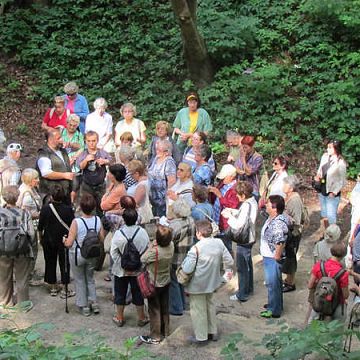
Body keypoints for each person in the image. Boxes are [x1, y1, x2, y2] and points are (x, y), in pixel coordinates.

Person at [181, 219, 233, 345]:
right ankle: (212, 331)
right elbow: (230, 261)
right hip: (213, 281)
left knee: (198, 310)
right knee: (210, 305)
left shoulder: (196, 248)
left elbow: (187, 268)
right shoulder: (219, 243)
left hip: (197, 285)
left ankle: (201, 337)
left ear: (198, 233)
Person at [63, 193, 105, 316]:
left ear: (81, 207)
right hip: (92, 254)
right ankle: (94, 302)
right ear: (93, 207)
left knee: (80, 279)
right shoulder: (97, 220)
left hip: (78, 255)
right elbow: (101, 239)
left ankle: (84, 305)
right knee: (90, 278)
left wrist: (64, 240)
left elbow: (69, 243)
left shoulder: (76, 222)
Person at [111, 208, 149, 327]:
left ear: (124, 219)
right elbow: (147, 250)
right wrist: (140, 264)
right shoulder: (142, 233)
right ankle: (141, 317)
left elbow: (113, 252)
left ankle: (119, 317)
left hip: (121, 271)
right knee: (138, 293)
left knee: (120, 293)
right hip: (138, 270)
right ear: (136, 218)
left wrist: (121, 263)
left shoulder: (118, 234)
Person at [0, 186, 35, 311]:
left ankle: (5, 302)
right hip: (22, 251)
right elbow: (31, 233)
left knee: (4, 278)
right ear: (17, 197)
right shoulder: (24, 213)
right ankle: (23, 304)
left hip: (3, 251)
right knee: (22, 278)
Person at [139, 225, 174, 345]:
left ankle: (155, 336)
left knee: (154, 309)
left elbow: (143, 259)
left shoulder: (155, 251)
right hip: (166, 280)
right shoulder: (171, 246)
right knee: (164, 307)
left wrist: (151, 246)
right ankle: (166, 330)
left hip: (154, 282)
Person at [38, 185, 75, 297]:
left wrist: (40, 238)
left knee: (49, 261)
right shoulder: (68, 209)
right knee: (64, 263)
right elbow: (72, 225)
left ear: (51, 196)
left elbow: (40, 226)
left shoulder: (45, 208)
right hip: (63, 239)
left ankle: (53, 286)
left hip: (48, 238)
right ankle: (65, 287)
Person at [225, 181, 258, 302]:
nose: (237, 197)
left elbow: (239, 224)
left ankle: (242, 294)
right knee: (248, 264)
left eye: (238, 195)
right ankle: (249, 289)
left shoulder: (246, 205)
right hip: (251, 237)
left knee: (242, 267)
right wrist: (234, 212)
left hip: (244, 239)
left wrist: (229, 217)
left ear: (243, 195)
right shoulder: (252, 201)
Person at [259, 195, 289, 318]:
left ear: (275, 208)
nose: (266, 205)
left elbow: (280, 241)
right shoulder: (273, 217)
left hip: (272, 257)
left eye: (268, 204)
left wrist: (277, 255)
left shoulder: (277, 223)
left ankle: (274, 309)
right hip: (269, 256)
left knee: (273, 284)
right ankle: (274, 304)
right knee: (274, 282)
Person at [308, 242, 349, 323]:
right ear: (344, 256)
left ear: (331, 251)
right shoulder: (343, 273)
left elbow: (310, 286)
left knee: (312, 327)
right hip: (336, 304)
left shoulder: (319, 265)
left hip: (319, 302)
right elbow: (345, 295)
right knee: (337, 330)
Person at [168, 198, 196, 316]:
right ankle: (182, 304)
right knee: (181, 281)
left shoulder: (175, 226)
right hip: (186, 256)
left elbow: (168, 241)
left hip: (176, 256)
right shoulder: (191, 220)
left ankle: (176, 307)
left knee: (173, 282)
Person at [16, 168, 42, 284]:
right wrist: (41, 214)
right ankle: (28, 276)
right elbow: (26, 213)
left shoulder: (25, 189)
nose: (38, 180)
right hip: (28, 228)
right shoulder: (26, 194)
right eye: (36, 178)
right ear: (30, 180)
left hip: (27, 226)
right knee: (32, 250)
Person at [77, 131, 112, 215]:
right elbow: (80, 166)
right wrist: (86, 160)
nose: (91, 143)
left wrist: (105, 161)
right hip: (87, 185)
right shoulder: (83, 154)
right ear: (85, 141)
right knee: (88, 207)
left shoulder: (102, 152)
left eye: (93, 141)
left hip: (100, 185)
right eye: (89, 141)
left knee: (101, 207)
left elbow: (111, 160)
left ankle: (101, 224)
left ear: (97, 141)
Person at [314, 140, 347, 228]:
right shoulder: (324, 156)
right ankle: (326, 233)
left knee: (331, 216)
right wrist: (318, 176)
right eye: (327, 147)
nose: (327, 149)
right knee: (324, 214)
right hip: (322, 189)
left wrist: (334, 192)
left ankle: (333, 236)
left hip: (332, 193)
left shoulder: (341, 163)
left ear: (336, 149)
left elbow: (343, 181)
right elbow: (320, 169)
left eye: (330, 147)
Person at [36, 128, 74, 203]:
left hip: (65, 193)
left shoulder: (62, 150)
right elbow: (46, 173)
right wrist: (64, 175)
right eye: (59, 138)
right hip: (52, 196)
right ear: (50, 140)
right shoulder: (44, 153)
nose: (62, 140)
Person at [209, 164, 240, 253]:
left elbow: (232, 206)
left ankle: (229, 265)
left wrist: (219, 195)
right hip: (217, 219)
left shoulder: (235, 188)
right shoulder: (223, 183)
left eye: (224, 177)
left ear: (231, 177)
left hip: (225, 223)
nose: (222, 179)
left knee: (226, 246)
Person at [281, 175, 305, 293]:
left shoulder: (294, 200)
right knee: (288, 256)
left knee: (291, 257)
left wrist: (283, 216)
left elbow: (297, 220)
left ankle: (290, 283)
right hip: (288, 232)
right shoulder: (288, 197)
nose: (283, 186)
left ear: (291, 187)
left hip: (294, 233)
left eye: (285, 184)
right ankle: (287, 280)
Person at [148, 139, 176, 217]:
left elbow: (172, 181)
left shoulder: (169, 162)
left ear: (166, 152)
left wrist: (168, 196)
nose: (157, 151)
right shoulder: (157, 158)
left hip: (162, 200)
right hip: (153, 198)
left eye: (159, 150)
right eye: (156, 149)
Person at [61, 114, 84, 204]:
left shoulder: (79, 135)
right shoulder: (61, 132)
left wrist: (74, 158)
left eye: (74, 126)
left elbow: (82, 148)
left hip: (74, 162)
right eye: (70, 125)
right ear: (66, 123)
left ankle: (71, 202)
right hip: (62, 160)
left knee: (74, 182)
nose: (71, 127)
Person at [234, 135, 263, 201]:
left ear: (252, 146)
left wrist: (244, 160)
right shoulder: (241, 154)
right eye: (243, 147)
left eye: (246, 147)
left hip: (252, 189)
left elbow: (249, 172)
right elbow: (236, 166)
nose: (244, 149)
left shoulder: (258, 157)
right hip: (240, 187)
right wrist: (239, 170)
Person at [127, 160, 153, 224]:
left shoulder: (141, 185)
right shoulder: (146, 179)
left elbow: (135, 203)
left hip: (141, 215)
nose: (131, 177)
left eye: (131, 174)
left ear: (137, 173)